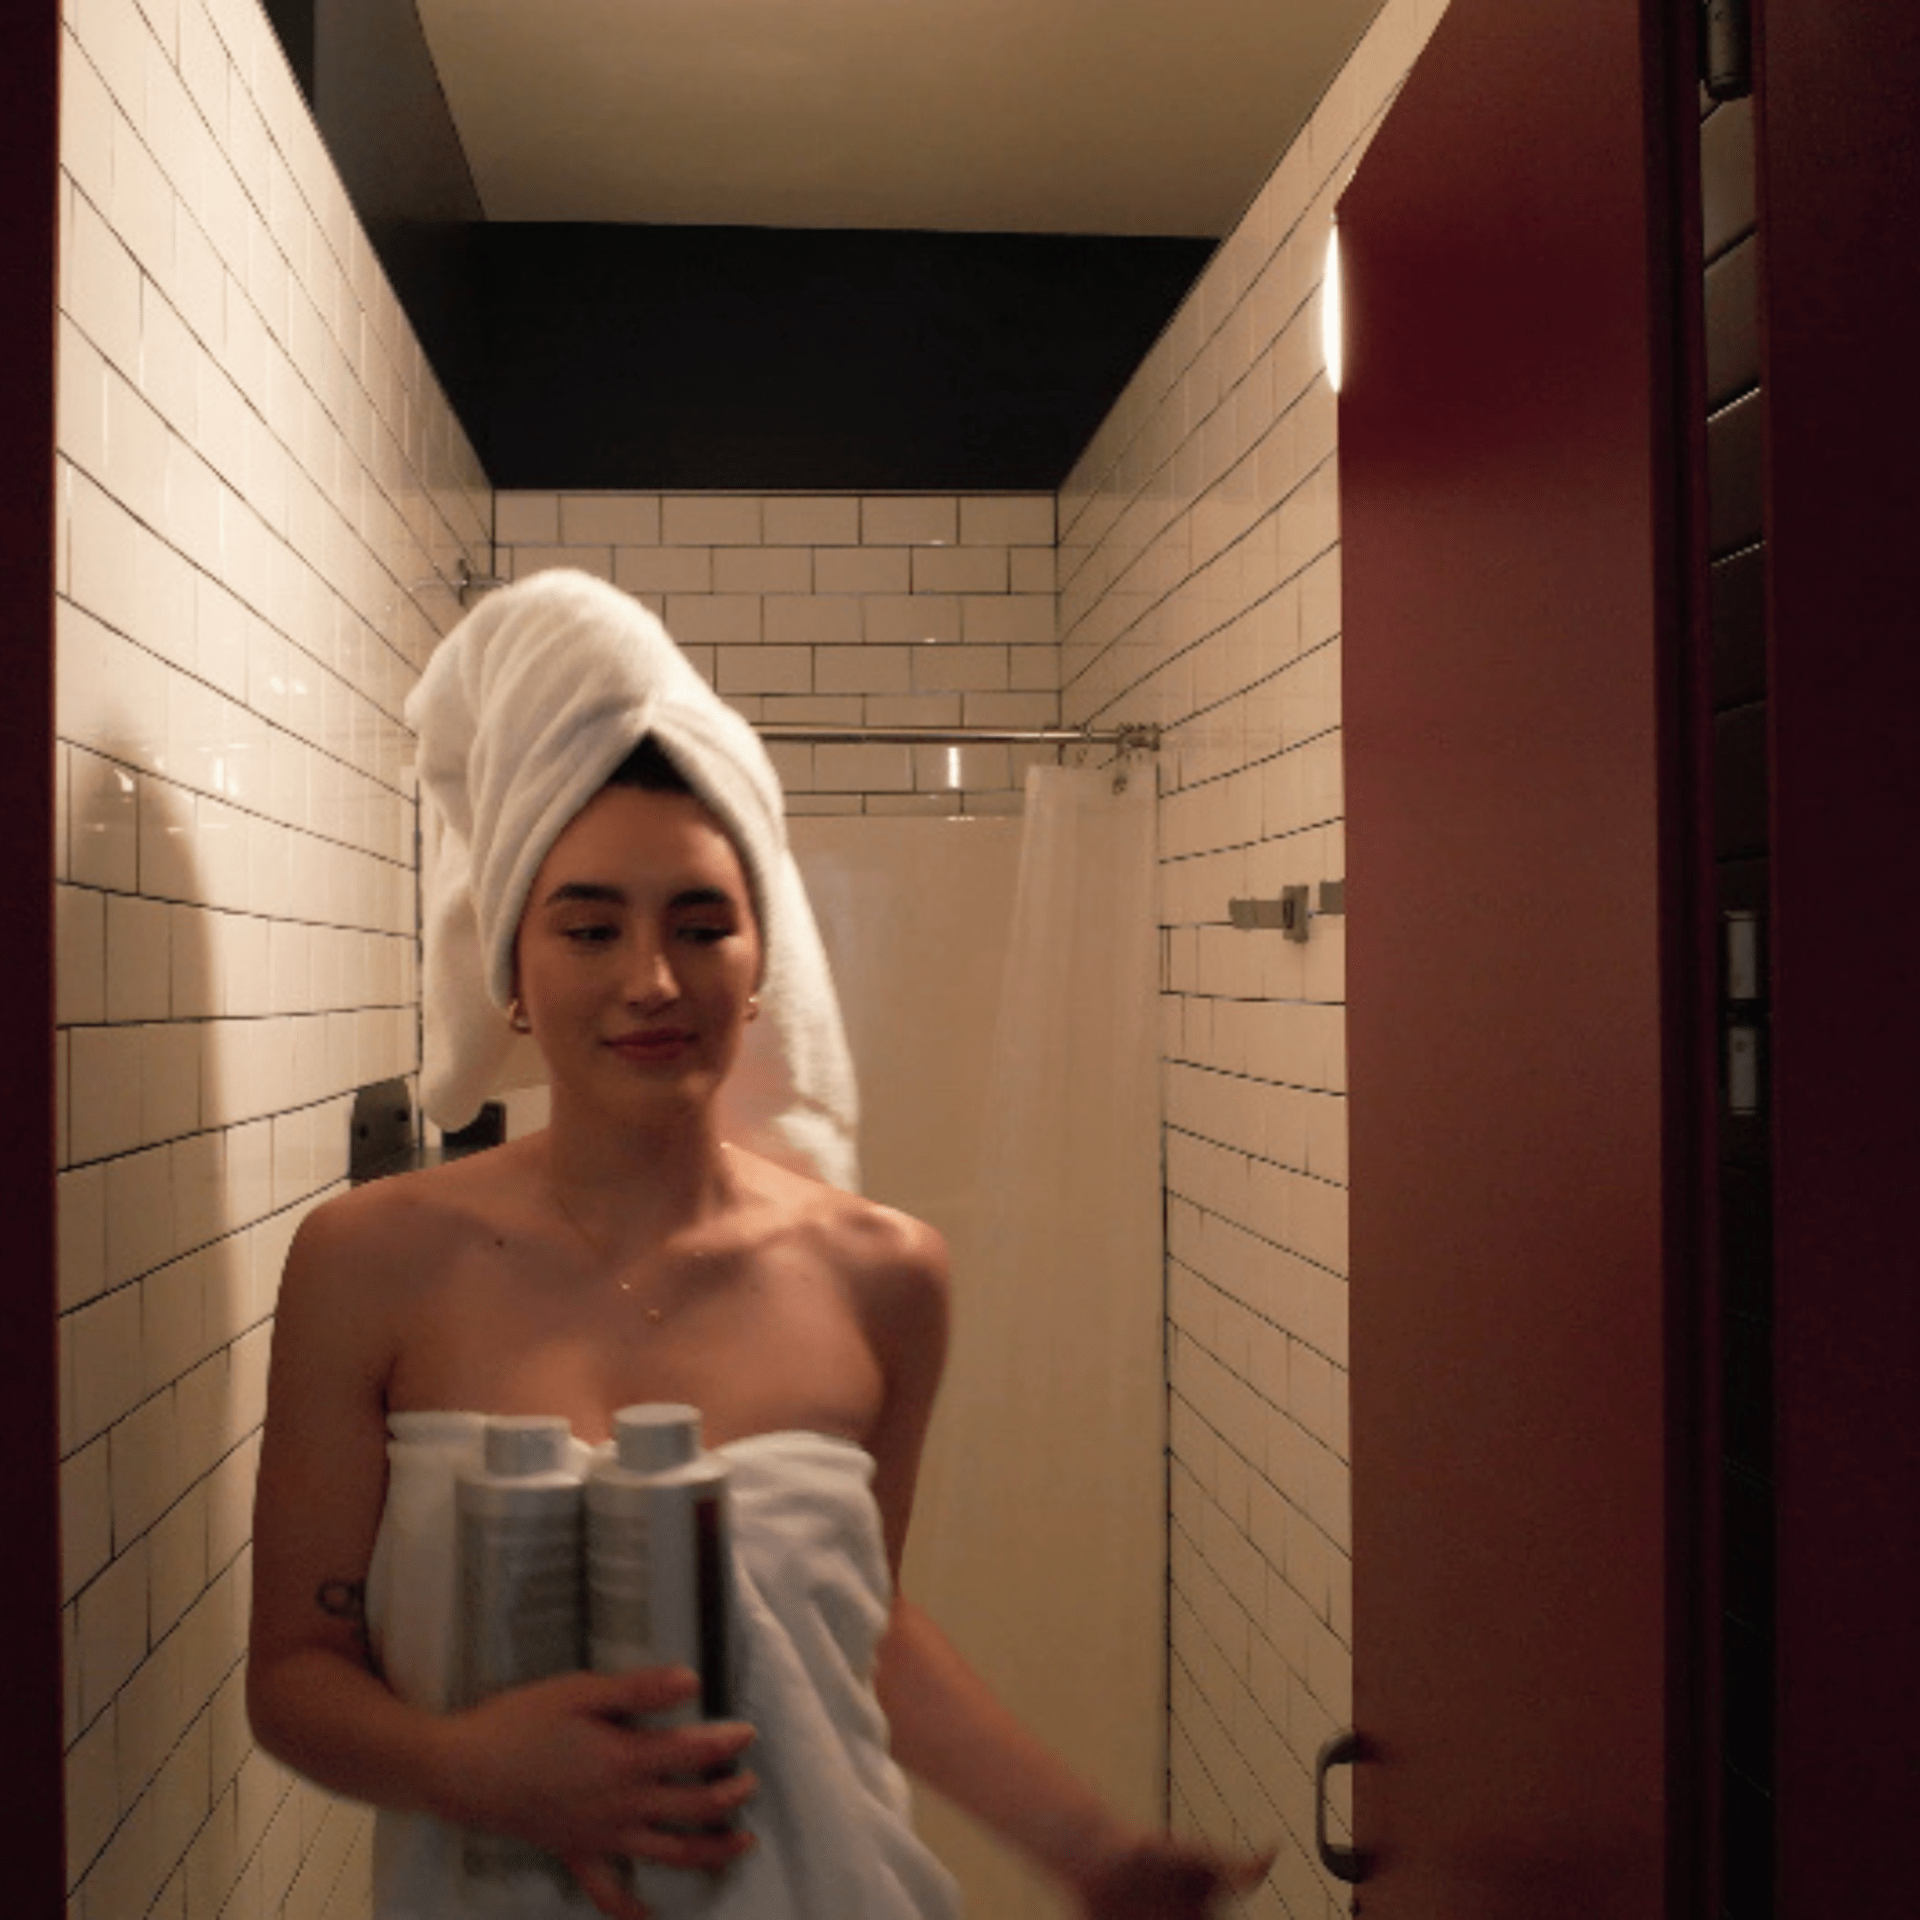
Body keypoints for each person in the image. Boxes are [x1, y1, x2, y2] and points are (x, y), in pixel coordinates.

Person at [246, 572, 1271, 1920]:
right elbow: (294, 1675)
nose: (651, 980)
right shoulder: (371, 1263)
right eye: (591, 925)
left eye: (701, 922)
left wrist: (1089, 1849)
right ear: (513, 962)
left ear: (759, 955)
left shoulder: (883, 1275)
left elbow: (864, 1629)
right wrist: (460, 1767)